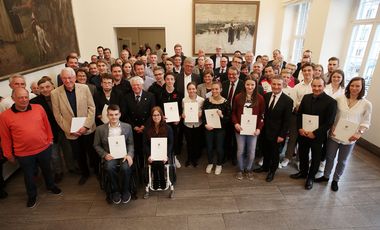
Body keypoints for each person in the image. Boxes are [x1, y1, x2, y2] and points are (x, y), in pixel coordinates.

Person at [0, 88, 62, 208]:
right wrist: (8, 155)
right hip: (24, 153)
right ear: (13, 99)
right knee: (29, 176)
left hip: (44, 148)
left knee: (47, 170)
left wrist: (50, 139)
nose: (24, 100)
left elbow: (46, 125)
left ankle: (50, 186)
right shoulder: (5, 116)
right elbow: (5, 137)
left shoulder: (38, 108)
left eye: (26, 97)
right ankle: (32, 195)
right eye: (20, 97)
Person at [315, 77, 372, 192]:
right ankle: (326, 176)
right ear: (348, 86)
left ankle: (336, 180)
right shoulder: (339, 99)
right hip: (335, 134)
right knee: (330, 157)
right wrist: (332, 126)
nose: (354, 88)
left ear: (362, 87)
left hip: (350, 137)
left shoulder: (366, 104)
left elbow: (366, 122)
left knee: (342, 161)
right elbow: (332, 115)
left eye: (357, 86)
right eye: (352, 85)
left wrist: (358, 133)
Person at [290, 77, 337, 190]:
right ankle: (303, 172)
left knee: (316, 157)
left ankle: (310, 177)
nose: (316, 88)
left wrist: (315, 133)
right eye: (314, 86)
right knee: (303, 153)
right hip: (303, 133)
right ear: (311, 86)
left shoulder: (331, 102)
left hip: (318, 136)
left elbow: (329, 122)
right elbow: (300, 114)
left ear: (324, 86)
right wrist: (300, 128)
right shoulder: (306, 98)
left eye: (319, 86)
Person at [51, 67, 96, 185]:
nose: (67, 80)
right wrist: (70, 130)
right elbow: (58, 116)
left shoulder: (84, 88)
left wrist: (86, 126)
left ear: (75, 78)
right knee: (79, 154)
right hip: (71, 131)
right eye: (64, 78)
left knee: (92, 151)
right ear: (61, 79)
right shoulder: (55, 93)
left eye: (70, 77)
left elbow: (92, 108)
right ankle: (85, 173)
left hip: (88, 128)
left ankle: (97, 170)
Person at [93, 104, 134, 204]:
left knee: (125, 168)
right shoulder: (100, 129)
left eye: (116, 114)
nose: (114, 117)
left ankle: (125, 190)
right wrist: (104, 155)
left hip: (124, 155)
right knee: (109, 168)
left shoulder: (127, 127)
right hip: (110, 156)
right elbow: (96, 145)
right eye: (111, 115)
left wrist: (129, 155)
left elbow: (130, 143)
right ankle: (115, 190)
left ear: (120, 114)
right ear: (107, 115)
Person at [255, 76, 292, 182]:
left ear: (283, 85)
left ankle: (272, 171)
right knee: (265, 150)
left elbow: (287, 120)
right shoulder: (265, 96)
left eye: (279, 84)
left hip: (277, 133)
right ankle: (265, 167)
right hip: (264, 130)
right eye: (274, 84)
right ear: (271, 84)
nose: (276, 86)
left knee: (275, 154)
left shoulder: (288, 101)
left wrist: (282, 135)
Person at [30, 77, 64, 183]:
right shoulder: (34, 102)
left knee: (67, 152)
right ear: (38, 89)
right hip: (48, 132)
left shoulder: (60, 96)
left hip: (64, 129)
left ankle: (71, 168)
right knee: (54, 155)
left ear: (53, 86)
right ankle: (58, 172)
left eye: (47, 86)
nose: (45, 89)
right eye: (42, 88)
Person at [232, 77, 265, 180]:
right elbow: (233, 113)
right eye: (248, 84)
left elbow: (262, 115)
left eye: (252, 85)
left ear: (255, 86)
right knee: (240, 150)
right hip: (240, 129)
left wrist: (259, 128)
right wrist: (236, 123)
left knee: (251, 152)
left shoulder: (260, 98)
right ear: (244, 85)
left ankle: (248, 169)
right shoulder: (238, 97)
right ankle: (240, 169)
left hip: (253, 130)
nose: (250, 87)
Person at [124, 76, 155, 182]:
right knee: (136, 151)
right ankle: (137, 171)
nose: (136, 87)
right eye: (134, 85)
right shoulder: (126, 97)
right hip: (133, 129)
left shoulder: (150, 96)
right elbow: (125, 115)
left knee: (146, 149)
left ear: (142, 85)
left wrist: (144, 126)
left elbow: (152, 113)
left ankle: (148, 171)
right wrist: (134, 126)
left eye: (138, 85)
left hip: (147, 128)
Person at [203, 82, 231, 175]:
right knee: (209, 147)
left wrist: (222, 115)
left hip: (220, 129)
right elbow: (203, 115)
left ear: (221, 89)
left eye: (216, 89)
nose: (214, 91)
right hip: (209, 128)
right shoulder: (207, 101)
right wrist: (205, 124)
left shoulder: (225, 102)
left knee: (219, 148)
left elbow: (228, 119)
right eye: (213, 89)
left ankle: (219, 164)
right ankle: (210, 163)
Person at [143, 107, 173, 189]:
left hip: (164, 153)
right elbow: (145, 144)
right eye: (154, 115)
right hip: (152, 153)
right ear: (151, 117)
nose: (156, 117)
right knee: (155, 161)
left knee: (159, 161)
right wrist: (149, 155)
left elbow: (171, 143)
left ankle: (161, 178)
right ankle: (157, 178)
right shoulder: (147, 129)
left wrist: (166, 155)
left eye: (158, 115)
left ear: (162, 116)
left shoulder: (168, 128)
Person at [182, 82, 204, 167]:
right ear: (187, 90)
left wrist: (201, 113)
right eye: (189, 89)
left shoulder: (201, 100)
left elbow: (203, 111)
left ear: (196, 89)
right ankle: (189, 158)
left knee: (196, 143)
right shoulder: (184, 100)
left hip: (198, 124)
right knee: (189, 142)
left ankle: (195, 159)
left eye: (193, 89)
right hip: (188, 125)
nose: (191, 90)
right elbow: (183, 110)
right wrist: (183, 115)